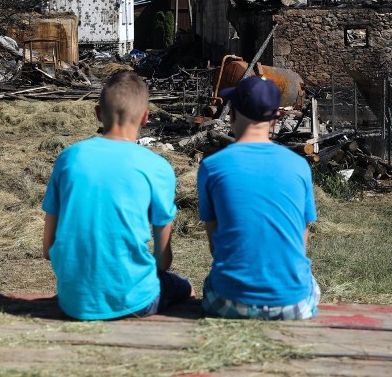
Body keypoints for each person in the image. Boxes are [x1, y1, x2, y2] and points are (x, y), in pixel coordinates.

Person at [42, 70, 192, 320]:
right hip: (135, 301)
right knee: (185, 287)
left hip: (74, 301)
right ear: (146, 117)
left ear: (98, 113)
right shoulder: (157, 167)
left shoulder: (69, 158)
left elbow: (48, 249)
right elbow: (162, 261)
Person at [197, 75, 320, 320]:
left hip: (229, 301)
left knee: (209, 281)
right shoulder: (298, 166)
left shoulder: (211, 167)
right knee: (312, 283)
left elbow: (216, 244)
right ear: (276, 118)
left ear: (231, 114)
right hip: (292, 304)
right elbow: (302, 239)